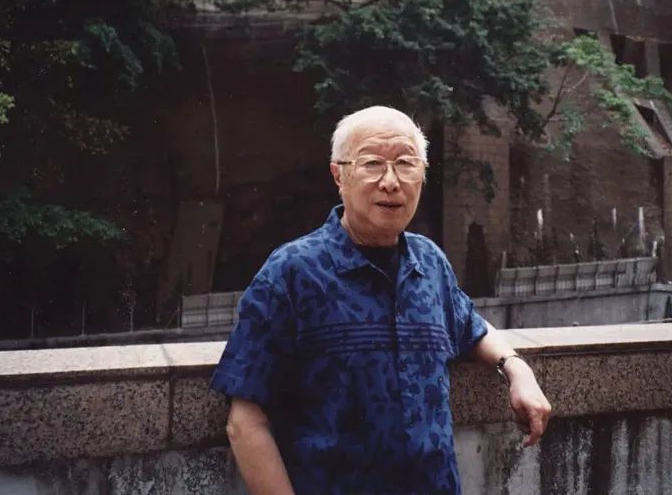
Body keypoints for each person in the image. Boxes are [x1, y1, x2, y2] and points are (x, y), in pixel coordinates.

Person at [210, 106, 551, 494]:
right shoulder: (292, 272)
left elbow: (470, 326)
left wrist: (518, 371)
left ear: (423, 174)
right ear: (339, 175)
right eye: (372, 164)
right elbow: (245, 421)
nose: (391, 182)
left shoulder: (429, 263)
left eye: (406, 164)